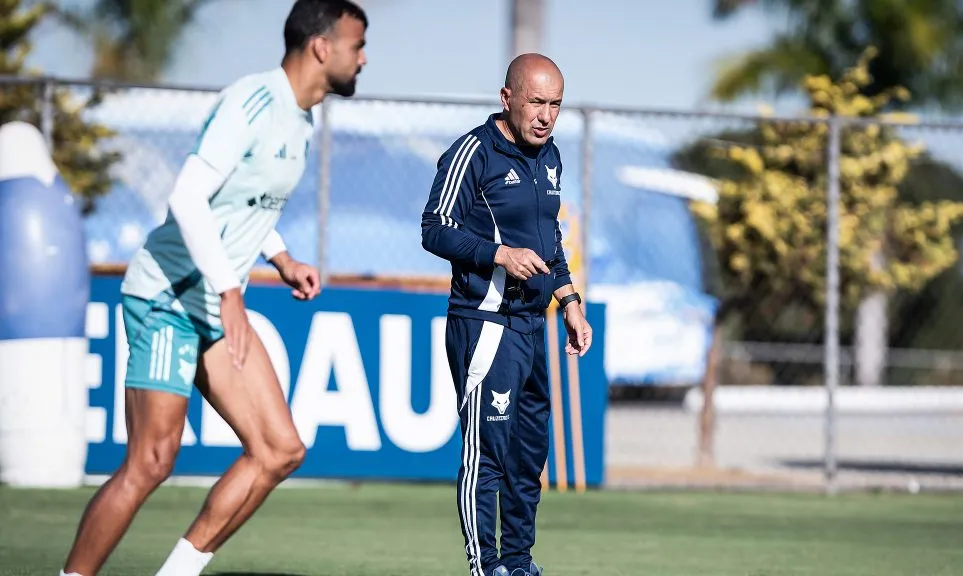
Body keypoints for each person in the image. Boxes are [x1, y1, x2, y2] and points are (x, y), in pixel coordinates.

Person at [58, 2, 368, 575]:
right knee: (151, 461)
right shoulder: (252, 101)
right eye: (357, 45)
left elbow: (241, 200)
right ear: (322, 47)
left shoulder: (302, 119)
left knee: (279, 450)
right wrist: (230, 291)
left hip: (210, 299)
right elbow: (188, 196)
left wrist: (280, 257)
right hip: (168, 296)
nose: (363, 57)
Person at [420, 53, 593, 576]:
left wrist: (569, 302)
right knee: (486, 453)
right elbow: (434, 228)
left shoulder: (551, 156)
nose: (546, 116)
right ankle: (484, 566)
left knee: (527, 456)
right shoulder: (473, 153)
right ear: (508, 98)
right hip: (484, 322)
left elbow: (550, 239)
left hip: (531, 326)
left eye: (556, 105)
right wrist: (499, 255)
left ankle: (518, 562)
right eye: (537, 102)